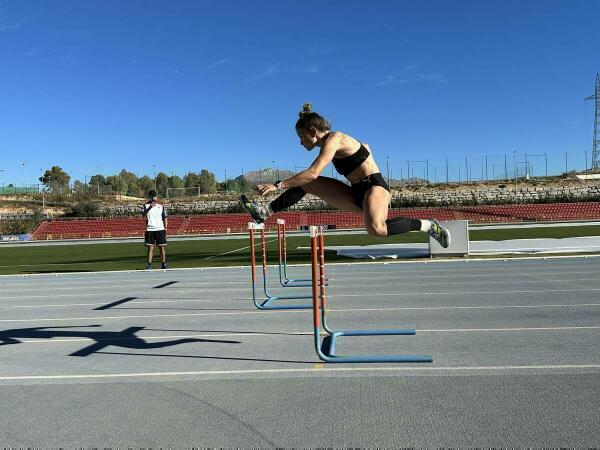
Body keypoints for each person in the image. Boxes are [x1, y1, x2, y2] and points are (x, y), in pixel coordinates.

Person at [240, 103, 451, 247]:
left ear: (313, 131)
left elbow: (313, 173)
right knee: (306, 184)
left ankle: (428, 225)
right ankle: (265, 211)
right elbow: (363, 148)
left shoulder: (335, 139)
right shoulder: (333, 145)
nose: (300, 142)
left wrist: (278, 184)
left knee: (377, 229)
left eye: (301, 136)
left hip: (374, 188)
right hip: (356, 191)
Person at [142, 189, 168, 269]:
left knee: (161, 247)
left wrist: (165, 227)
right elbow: (143, 216)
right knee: (150, 248)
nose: (154, 198)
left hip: (160, 228)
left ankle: (163, 264)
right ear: (149, 197)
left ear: (156, 197)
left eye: (155, 196)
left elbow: (165, 217)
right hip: (150, 229)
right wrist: (150, 207)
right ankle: (149, 264)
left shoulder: (161, 206)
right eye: (152, 196)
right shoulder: (145, 206)